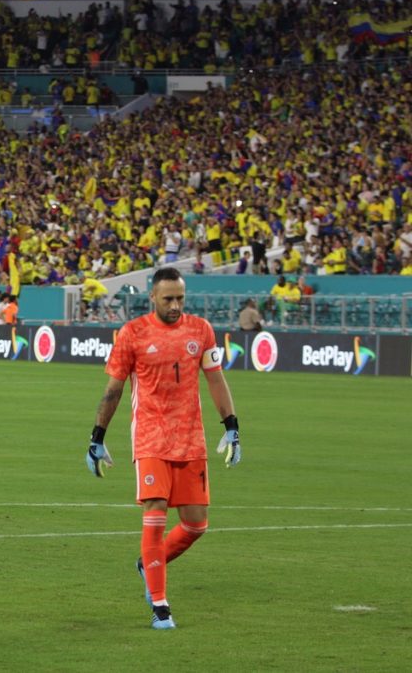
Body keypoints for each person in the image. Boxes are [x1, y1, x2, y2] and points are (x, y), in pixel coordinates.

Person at [85, 267, 241, 630]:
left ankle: (148, 563)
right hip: (151, 436)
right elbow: (114, 389)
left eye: (180, 298)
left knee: (196, 524)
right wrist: (97, 435)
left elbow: (215, 378)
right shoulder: (133, 333)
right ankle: (160, 605)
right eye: (168, 298)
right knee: (154, 513)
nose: (175, 305)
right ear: (152, 297)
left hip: (190, 437)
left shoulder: (200, 330)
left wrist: (232, 425)